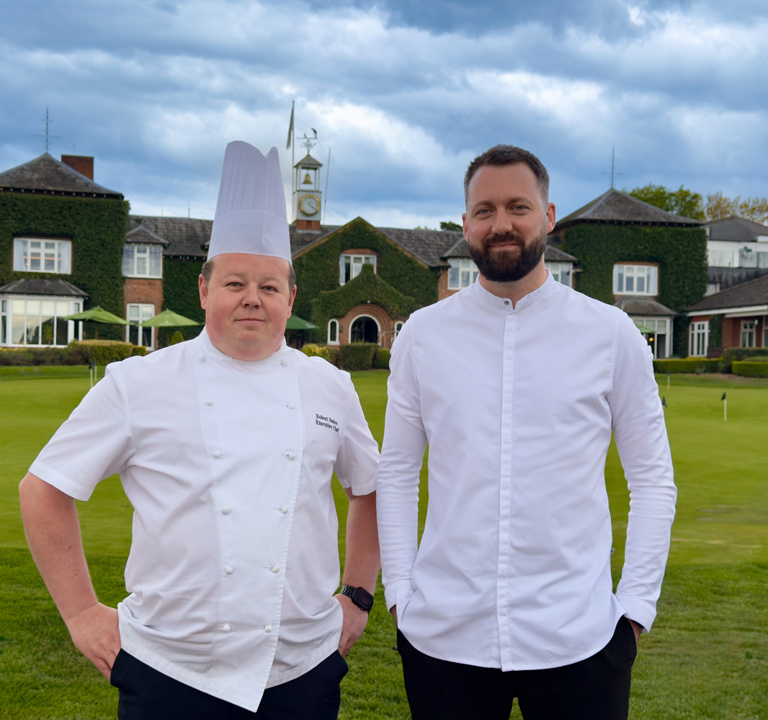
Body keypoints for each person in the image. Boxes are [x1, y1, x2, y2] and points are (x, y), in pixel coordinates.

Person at [19, 142, 380, 720]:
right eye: (235, 283)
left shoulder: (329, 385)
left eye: (268, 286)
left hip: (302, 670)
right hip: (170, 670)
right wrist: (82, 614)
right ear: (205, 290)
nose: (252, 300)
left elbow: (371, 487)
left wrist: (358, 596)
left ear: (290, 297)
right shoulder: (137, 383)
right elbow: (43, 489)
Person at [376, 144, 676, 720]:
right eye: (484, 210)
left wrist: (635, 605)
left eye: (518, 206)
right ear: (465, 223)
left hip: (579, 636)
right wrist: (400, 595)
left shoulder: (611, 335)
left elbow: (653, 481)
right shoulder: (422, 335)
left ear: (549, 215)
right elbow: (395, 473)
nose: (502, 223)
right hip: (444, 635)